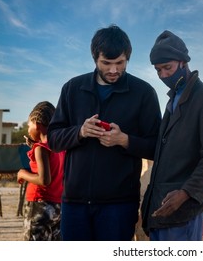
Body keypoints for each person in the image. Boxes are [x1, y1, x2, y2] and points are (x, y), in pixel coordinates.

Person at [47, 24, 161, 241]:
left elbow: (158, 148)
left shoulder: (144, 93)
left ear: (128, 57)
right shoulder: (72, 88)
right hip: (74, 203)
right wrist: (79, 132)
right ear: (94, 59)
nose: (113, 70)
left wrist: (125, 140)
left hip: (119, 206)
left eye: (120, 63)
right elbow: (53, 139)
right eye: (106, 63)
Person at [141, 30, 203, 241]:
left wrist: (185, 193)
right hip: (162, 208)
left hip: (182, 211)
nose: (163, 76)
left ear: (183, 62)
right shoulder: (172, 101)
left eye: (167, 68)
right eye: (158, 70)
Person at [17, 101, 65, 241]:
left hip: (39, 204)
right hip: (57, 207)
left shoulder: (40, 148)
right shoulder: (60, 147)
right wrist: (35, 147)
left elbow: (44, 180)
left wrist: (22, 173)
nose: (27, 130)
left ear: (37, 124)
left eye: (28, 126)